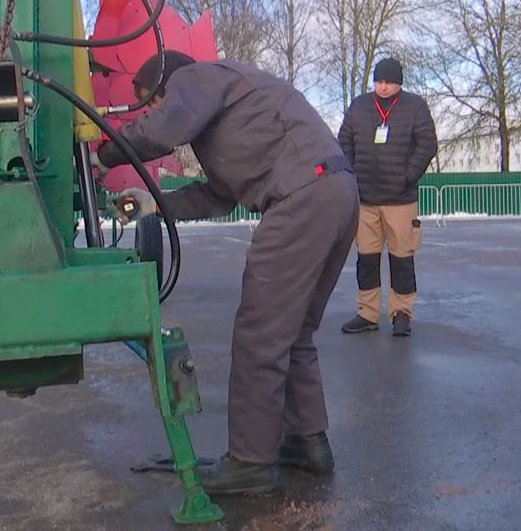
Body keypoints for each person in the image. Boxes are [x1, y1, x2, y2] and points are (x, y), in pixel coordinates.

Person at [93, 50, 359, 495]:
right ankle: (306, 442)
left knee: (261, 334)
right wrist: (153, 204)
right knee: (293, 334)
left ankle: (251, 464)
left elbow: (164, 127)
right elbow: (217, 196)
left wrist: (105, 154)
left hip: (300, 198)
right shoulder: (233, 108)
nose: (152, 111)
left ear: (168, 84)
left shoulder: (199, 76)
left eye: (152, 101)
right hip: (335, 192)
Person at [336, 57, 438, 337]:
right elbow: (344, 140)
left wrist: (407, 175)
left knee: (402, 259)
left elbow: (427, 143)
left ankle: (401, 313)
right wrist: (352, 173)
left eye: (389, 82)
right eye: (379, 81)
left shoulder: (414, 106)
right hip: (365, 198)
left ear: (399, 83)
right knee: (366, 259)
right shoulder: (359, 106)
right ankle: (367, 312)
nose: (383, 87)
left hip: (401, 200)